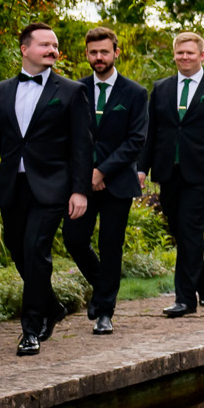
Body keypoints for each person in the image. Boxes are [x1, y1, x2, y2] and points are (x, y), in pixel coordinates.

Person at [0, 23, 91, 356]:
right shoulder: (0, 91)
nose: (52, 50)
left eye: (55, 46)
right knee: (17, 248)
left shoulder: (70, 91)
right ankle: (52, 306)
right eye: (44, 45)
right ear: (25, 49)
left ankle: (30, 330)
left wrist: (79, 190)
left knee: (36, 248)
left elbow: (83, 147)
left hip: (52, 186)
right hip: (13, 185)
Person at [144, 34, 204, 317]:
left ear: (202, 56)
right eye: (179, 53)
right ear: (174, 55)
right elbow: (153, 132)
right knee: (179, 231)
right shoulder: (160, 88)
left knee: (190, 230)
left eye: (190, 53)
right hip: (168, 172)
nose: (184, 57)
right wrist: (142, 168)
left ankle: (185, 300)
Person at [63, 27, 150, 336]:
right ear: (86, 54)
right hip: (81, 181)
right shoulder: (75, 90)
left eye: (104, 51)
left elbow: (136, 140)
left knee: (110, 244)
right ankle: (103, 287)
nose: (98, 57)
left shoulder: (136, 93)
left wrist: (102, 172)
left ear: (116, 52)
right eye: (93, 52)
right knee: (73, 238)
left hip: (118, 182)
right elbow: (70, 137)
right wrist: (87, 173)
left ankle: (105, 312)